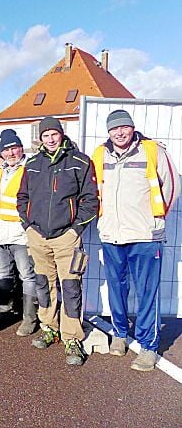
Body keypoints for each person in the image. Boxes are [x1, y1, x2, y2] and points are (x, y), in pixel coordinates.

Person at [92, 110, 180, 371]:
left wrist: (155, 221)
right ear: (108, 132)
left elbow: (171, 187)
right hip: (111, 234)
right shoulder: (99, 154)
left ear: (132, 128)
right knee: (117, 288)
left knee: (146, 292)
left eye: (124, 127)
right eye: (113, 129)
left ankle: (148, 346)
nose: (119, 133)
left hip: (145, 235)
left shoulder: (153, 151)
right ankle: (119, 334)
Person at [17, 117, 99, 366]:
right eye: (46, 135)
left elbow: (91, 200)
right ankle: (49, 326)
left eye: (54, 134)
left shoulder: (80, 161)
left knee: (71, 287)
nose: (50, 139)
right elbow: (22, 197)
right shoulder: (32, 164)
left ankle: (72, 337)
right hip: (38, 236)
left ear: (62, 134)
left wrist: (76, 230)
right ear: (40, 138)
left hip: (67, 237)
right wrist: (28, 226)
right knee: (43, 284)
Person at [0, 133, 37, 336]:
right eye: (6, 150)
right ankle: (5, 310)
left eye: (14, 148)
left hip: (20, 232)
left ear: (21, 148)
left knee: (27, 275)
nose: (11, 153)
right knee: (3, 274)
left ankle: (29, 318)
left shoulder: (29, 169)